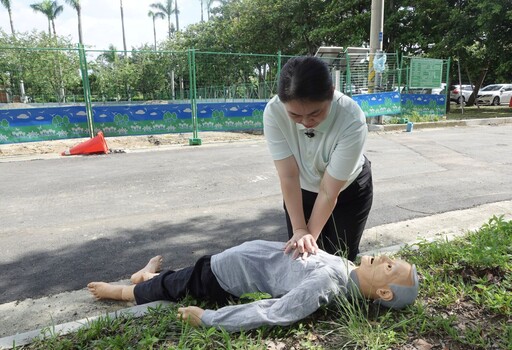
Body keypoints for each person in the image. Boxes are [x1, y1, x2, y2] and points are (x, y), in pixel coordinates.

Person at [88, 240, 419, 332]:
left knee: (176, 285)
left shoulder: (327, 284)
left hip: (224, 275)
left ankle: (123, 290)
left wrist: (209, 319)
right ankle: (146, 277)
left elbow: (275, 312)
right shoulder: (346, 269)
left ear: (384, 293)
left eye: (391, 266)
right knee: (180, 279)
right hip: (231, 262)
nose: (385, 257)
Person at [263, 56, 373, 261]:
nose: (305, 122)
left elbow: (329, 191)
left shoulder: (351, 118)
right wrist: (300, 230)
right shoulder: (274, 112)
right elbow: (288, 176)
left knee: (339, 259)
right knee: (300, 258)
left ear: (331, 93)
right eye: (295, 115)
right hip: (301, 190)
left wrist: (310, 237)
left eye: (315, 113)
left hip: (346, 189)